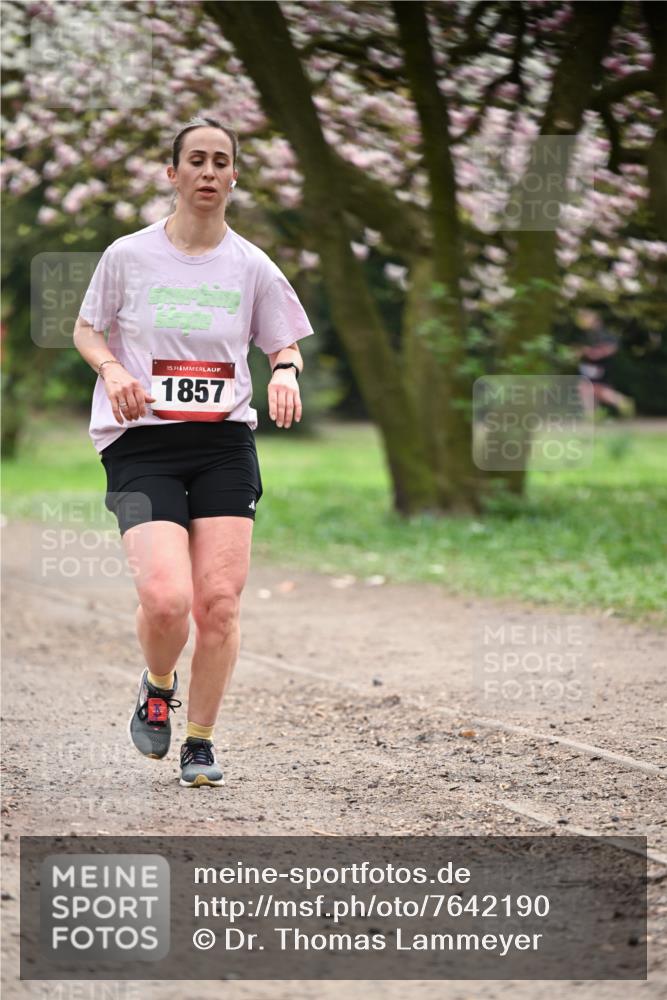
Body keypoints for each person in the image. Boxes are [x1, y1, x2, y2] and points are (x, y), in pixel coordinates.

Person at [73, 117, 314, 787]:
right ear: (172, 173)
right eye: (196, 160)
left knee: (219, 602)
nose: (209, 171)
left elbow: (284, 341)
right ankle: (158, 684)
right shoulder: (128, 255)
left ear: (234, 176)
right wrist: (112, 370)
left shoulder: (251, 265)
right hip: (141, 442)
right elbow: (88, 329)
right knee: (166, 599)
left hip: (222, 443)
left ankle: (200, 743)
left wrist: (286, 372)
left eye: (221, 161)